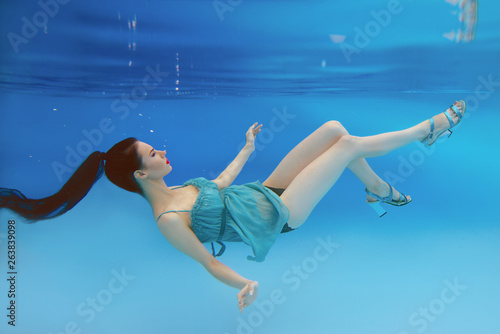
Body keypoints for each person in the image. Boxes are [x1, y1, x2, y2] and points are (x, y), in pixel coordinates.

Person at [0, 100, 466, 312]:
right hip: (282, 217)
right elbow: (206, 263)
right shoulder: (169, 220)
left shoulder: (180, 187)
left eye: (155, 147)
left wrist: (246, 148)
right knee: (344, 149)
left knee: (333, 128)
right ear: (142, 175)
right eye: (152, 154)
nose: (161, 151)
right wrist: (244, 282)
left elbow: (220, 184)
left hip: (264, 192)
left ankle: (379, 192)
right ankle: (426, 132)